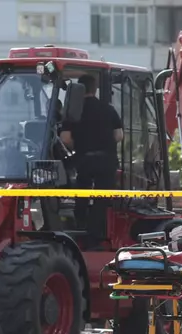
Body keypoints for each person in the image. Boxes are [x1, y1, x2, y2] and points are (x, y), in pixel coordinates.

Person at [59, 74, 123, 247]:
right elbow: (119, 135)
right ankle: (95, 233)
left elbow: (65, 138)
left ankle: (80, 223)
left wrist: (79, 146)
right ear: (95, 89)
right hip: (106, 160)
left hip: (84, 160)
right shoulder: (108, 109)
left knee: (82, 192)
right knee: (102, 198)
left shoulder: (73, 111)